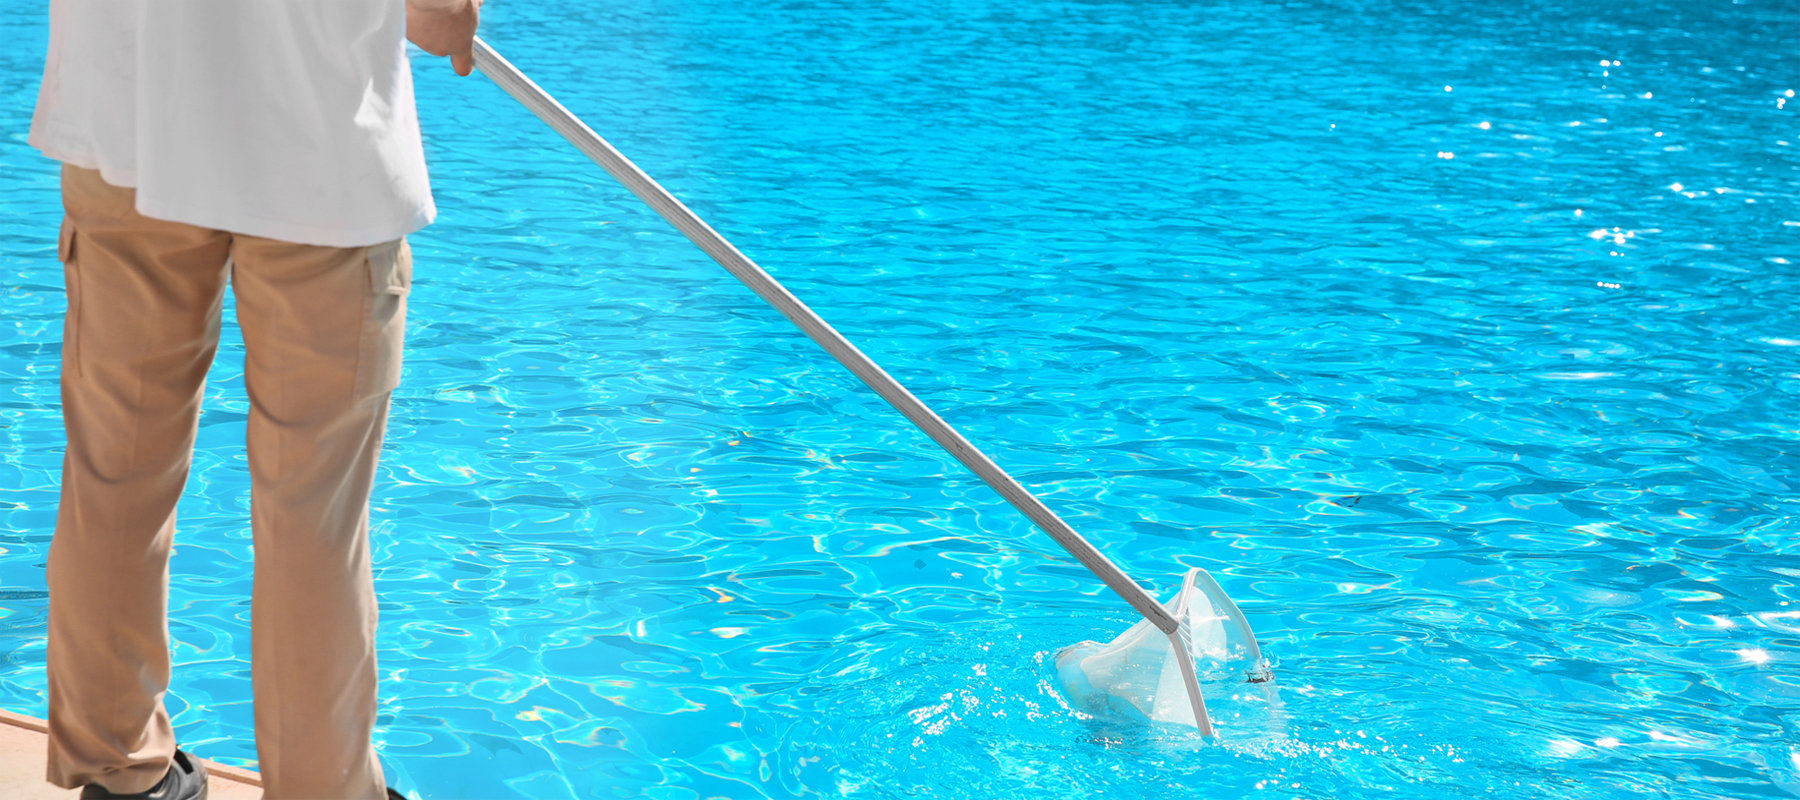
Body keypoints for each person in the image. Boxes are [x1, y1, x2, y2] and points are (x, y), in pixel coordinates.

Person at [28, 1, 481, 798]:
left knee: (116, 471)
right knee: (313, 508)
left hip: (123, 114)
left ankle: (116, 769)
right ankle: (322, 787)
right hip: (317, 140)